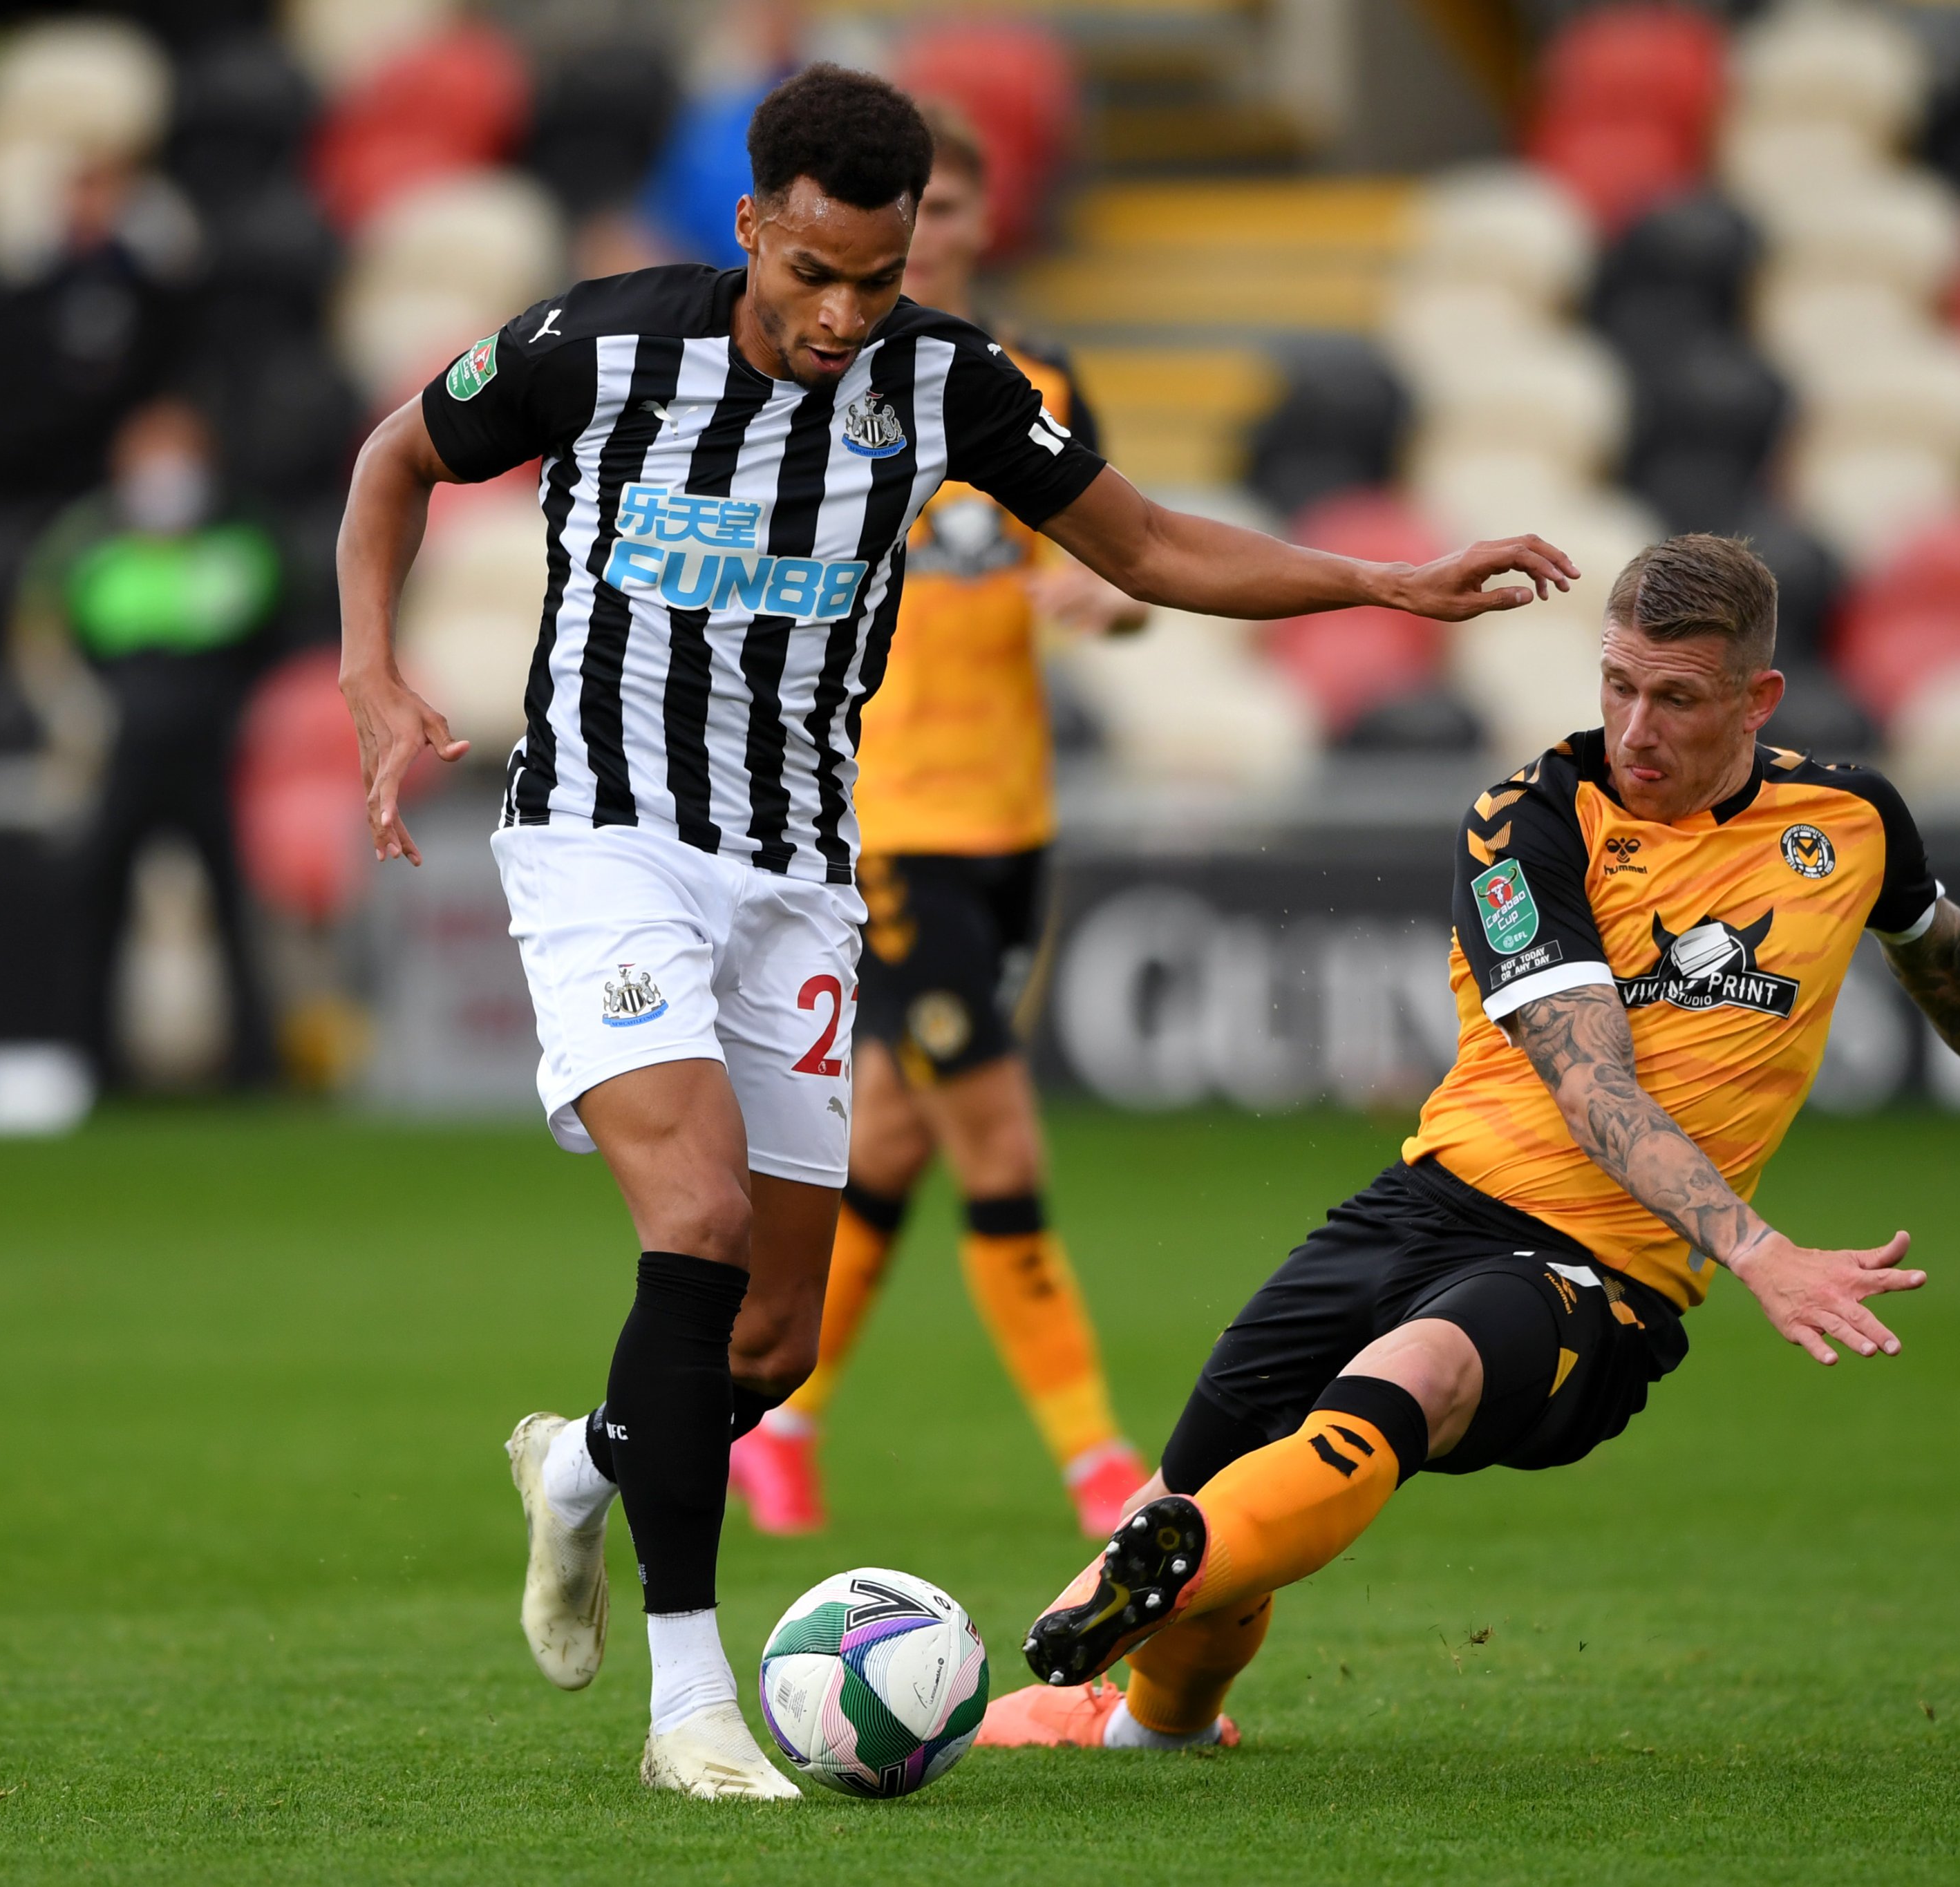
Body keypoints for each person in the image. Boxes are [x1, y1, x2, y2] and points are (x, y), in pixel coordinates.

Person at [332, 64, 1575, 1802]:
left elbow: (1138, 542)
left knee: (766, 1344)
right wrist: (375, 674)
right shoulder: (602, 343)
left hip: (799, 874)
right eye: (813, 274)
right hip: (603, 841)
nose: (845, 314)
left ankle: (584, 1471)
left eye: (879, 277)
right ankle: (688, 1707)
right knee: (686, 1223)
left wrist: (1379, 581)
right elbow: (398, 453)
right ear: (753, 225)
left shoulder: (947, 383)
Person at [977, 533, 1960, 1754]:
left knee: (1423, 1373)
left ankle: (1149, 1598)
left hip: (1610, 1274)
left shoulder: (1847, 822)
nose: (1637, 728)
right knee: (1195, 1499)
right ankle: (1155, 1723)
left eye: (1677, 698)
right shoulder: (1528, 817)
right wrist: (1765, 1251)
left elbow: (1944, 951)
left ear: (1759, 698)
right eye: (1618, 686)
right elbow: (1591, 1084)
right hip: (1425, 1203)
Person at [725, 104, 1153, 1544]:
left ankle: (772, 1419)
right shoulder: (815, 383)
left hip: (1011, 816)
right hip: (884, 818)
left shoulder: (1029, 382)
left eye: (958, 212)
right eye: (931, 212)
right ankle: (1099, 1461)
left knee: (894, 1140)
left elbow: (1124, 561)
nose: (943, 236)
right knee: (998, 1138)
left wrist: (1117, 601)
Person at [23, 396, 282, 1088]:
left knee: (233, 907)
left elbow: (256, 632)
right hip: (124, 755)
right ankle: (86, 1063)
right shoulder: (91, 550)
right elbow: (55, 639)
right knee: (96, 901)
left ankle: (256, 1069)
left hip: (209, 753)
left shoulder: (241, 546)